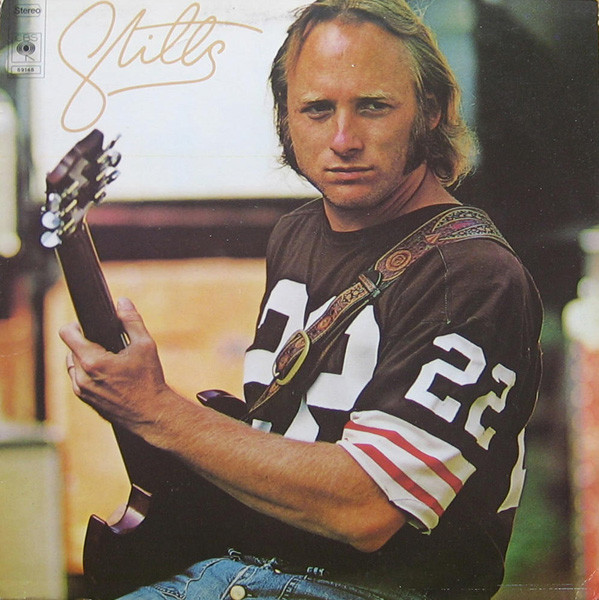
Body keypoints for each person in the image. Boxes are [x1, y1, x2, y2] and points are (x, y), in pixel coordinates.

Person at [59, 1, 543, 599]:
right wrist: (140, 400)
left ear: (433, 110)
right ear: (285, 118)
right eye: (316, 109)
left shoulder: (474, 275)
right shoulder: (297, 234)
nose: (343, 140)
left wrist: (157, 409)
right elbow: (284, 435)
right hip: (243, 570)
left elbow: (366, 509)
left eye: (373, 106)